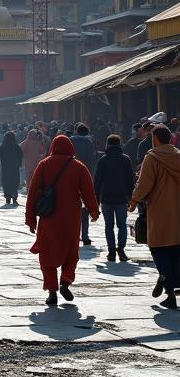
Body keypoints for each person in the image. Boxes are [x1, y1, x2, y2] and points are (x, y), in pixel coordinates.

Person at [25, 134, 99, 307]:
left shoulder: (44, 165)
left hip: (49, 217)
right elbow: (89, 192)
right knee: (71, 251)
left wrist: (30, 219)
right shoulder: (79, 167)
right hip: (71, 217)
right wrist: (93, 211)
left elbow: (33, 192)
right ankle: (65, 281)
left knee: (46, 254)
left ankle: (52, 291)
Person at [129, 124, 180, 309]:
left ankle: (166, 283)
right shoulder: (178, 155)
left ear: (155, 139)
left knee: (158, 248)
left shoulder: (152, 157)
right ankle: (172, 282)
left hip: (158, 211)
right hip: (177, 211)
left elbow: (144, 185)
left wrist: (133, 201)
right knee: (175, 249)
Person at [94, 133, 135, 263]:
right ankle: (121, 250)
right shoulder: (126, 159)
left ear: (107, 145)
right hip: (122, 198)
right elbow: (130, 181)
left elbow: (97, 181)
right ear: (119, 144)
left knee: (108, 226)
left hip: (106, 198)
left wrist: (96, 199)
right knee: (122, 225)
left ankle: (111, 252)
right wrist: (132, 198)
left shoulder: (103, 160)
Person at [71, 123, 97, 245]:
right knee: (84, 208)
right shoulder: (89, 143)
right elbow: (92, 160)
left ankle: (73, 235)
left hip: (70, 178)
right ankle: (85, 235)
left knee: (70, 208)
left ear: (76, 130)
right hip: (85, 176)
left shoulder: (70, 140)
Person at [0, 130, 23, 205]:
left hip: (5, 167)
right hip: (15, 167)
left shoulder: (3, 145)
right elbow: (20, 156)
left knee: (6, 182)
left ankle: (7, 198)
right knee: (14, 181)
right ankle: (14, 197)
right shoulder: (16, 146)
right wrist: (19, 164)